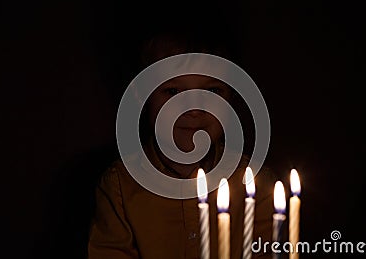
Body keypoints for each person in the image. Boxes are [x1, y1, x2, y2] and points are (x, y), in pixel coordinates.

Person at [87, 25, 279, 259]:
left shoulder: (255, 184)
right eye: (173, 91)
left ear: (233, 97)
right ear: (143, 95)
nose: (194, 109)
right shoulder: (119, 188)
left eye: (213, 91)